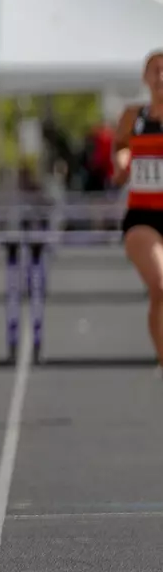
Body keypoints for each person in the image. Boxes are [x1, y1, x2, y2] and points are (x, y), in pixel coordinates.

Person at [113, 51, 163, 369]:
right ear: (145, 79)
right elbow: (120, 147)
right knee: (161, 286)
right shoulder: (134, 116)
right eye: (155, 71)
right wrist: (121, 163)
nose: (161, 77)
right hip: (144, 217)